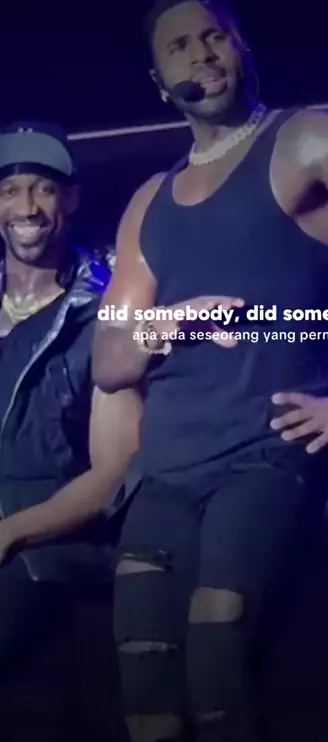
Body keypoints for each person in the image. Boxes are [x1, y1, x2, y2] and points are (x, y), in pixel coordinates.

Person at [92, 0, 328, 742]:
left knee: (218, 684)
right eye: (180, 46)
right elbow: (109, 361)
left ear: (241, 46)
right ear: (160, 82)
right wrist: (165, 324)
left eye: (215, 35)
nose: (202, 53)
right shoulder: (147, 202)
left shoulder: (308, 141)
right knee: (149, 707)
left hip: (262, 457)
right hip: (164, 473)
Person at [0, 122, 140, 742]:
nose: (27, 207)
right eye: (11, 191)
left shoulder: (103, 316)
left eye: (44, 189)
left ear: (72, 198)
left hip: (49, 554)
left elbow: (112, 477)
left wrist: (8, 534)